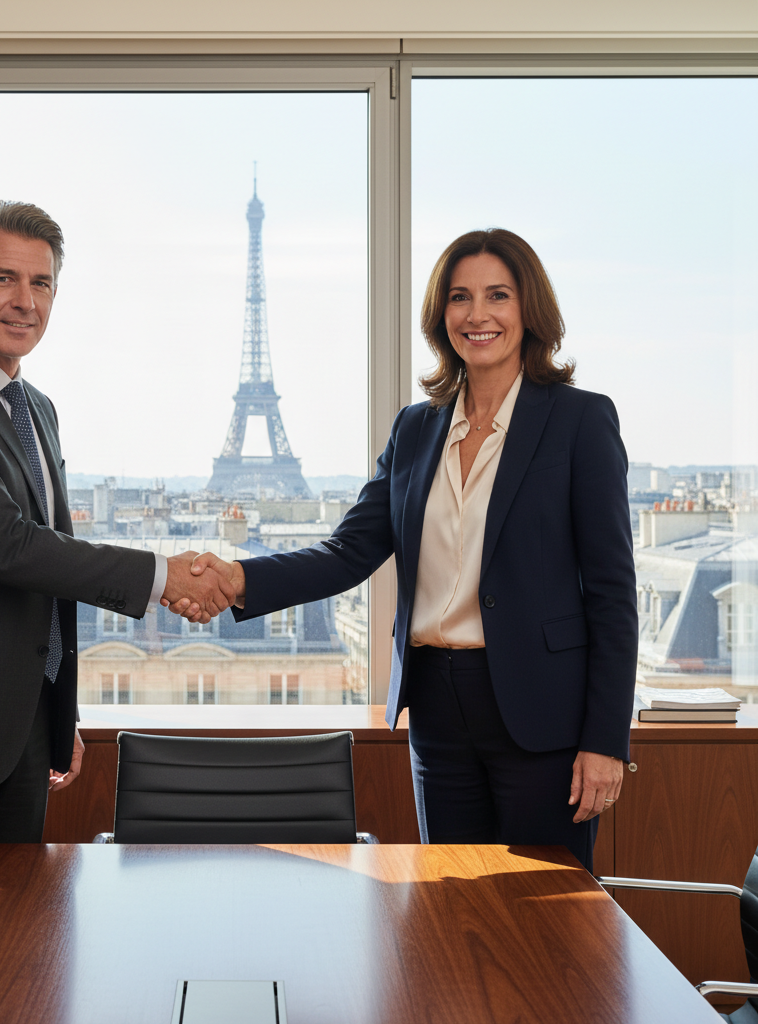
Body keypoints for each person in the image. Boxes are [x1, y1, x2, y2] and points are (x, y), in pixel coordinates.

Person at [186, 228, 637, 871]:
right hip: (437, 708)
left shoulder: (580, 421)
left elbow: (614, 594)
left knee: (548, 923)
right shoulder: (417, 427)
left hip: (541, 713)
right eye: (460, 297)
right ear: (440, 314)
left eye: (497, 296)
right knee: (450, 907)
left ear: (529, 309)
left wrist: (605, 741)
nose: (477, 314)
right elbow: (348, 552)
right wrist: (237, 577)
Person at [0, 200, 234, 878]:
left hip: (20, 729)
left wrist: (59, 710)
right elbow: (10, 546)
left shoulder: (37, 411)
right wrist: (162, 575)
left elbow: (47, 574)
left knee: (10, 948)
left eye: (42, 283)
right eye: (4, 279)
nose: (25, 301)